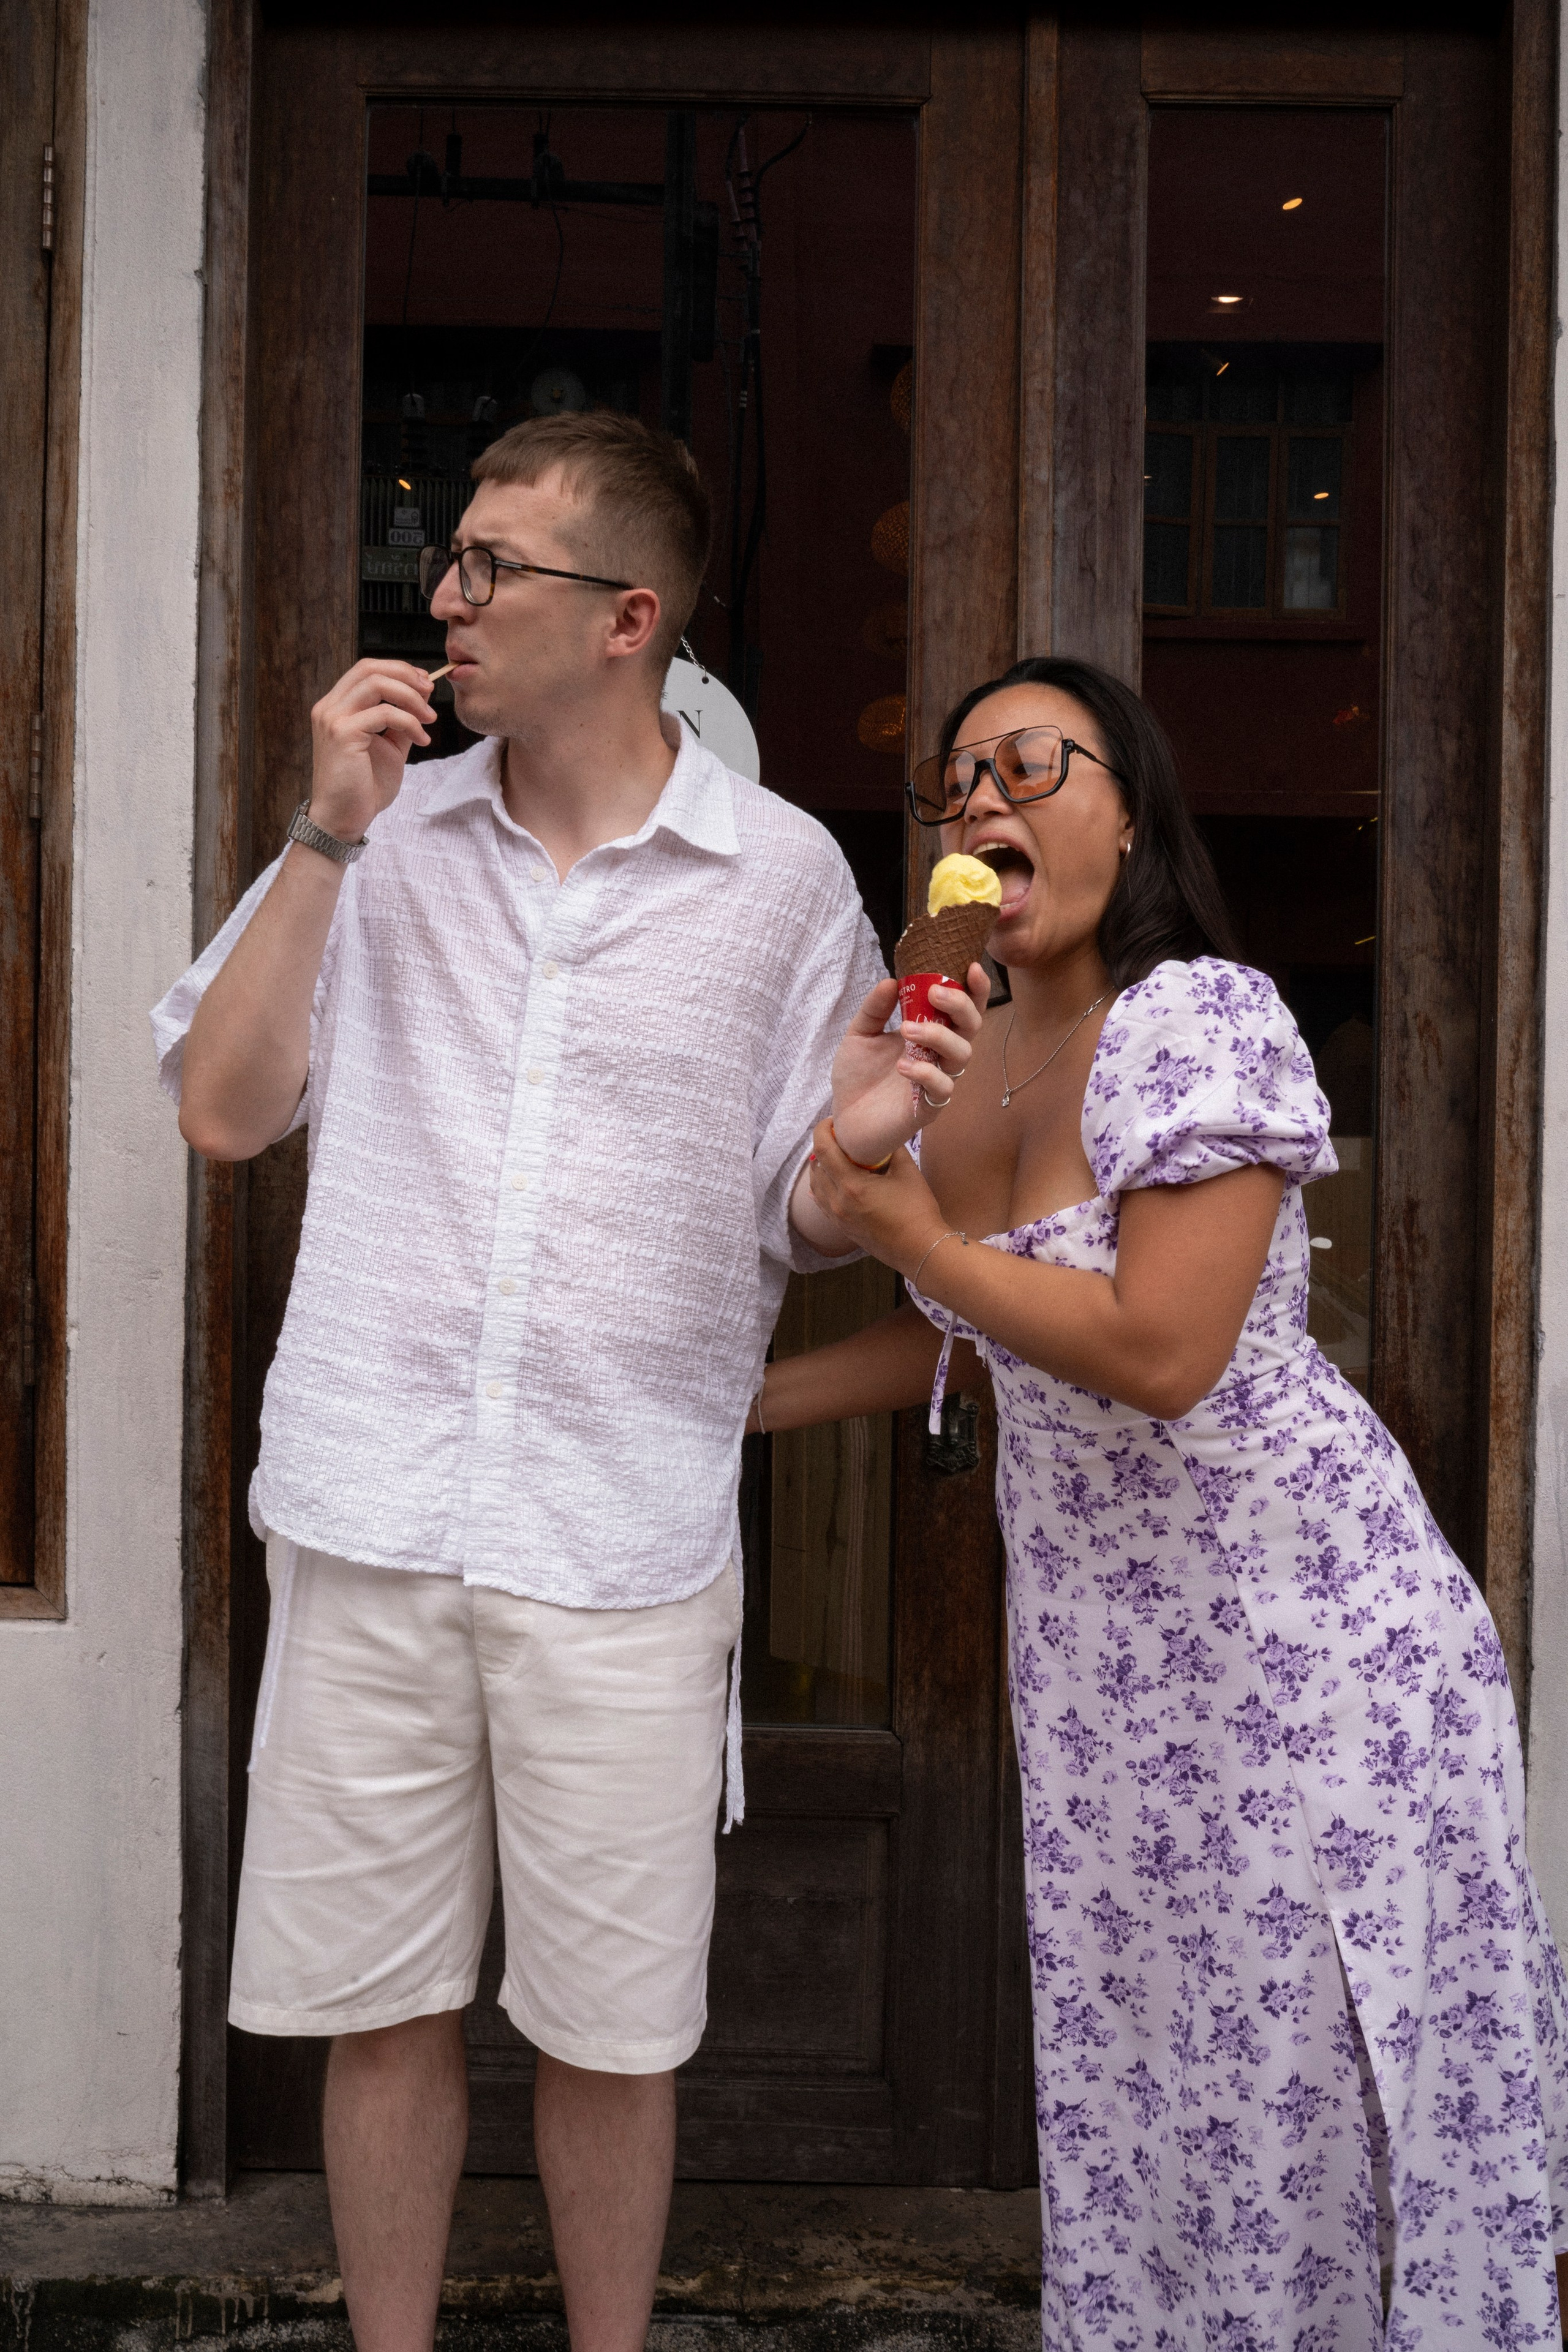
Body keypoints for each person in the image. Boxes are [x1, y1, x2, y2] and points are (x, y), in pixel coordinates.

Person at [149, 412, 965, 2352]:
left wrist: (853, 1145)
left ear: (627, 618)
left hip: (624, 1533)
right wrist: (327, 832)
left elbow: (805, 1217)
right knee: (382, 2009)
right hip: (371, 1506)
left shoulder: (781, 881)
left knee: (616, 2029)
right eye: (455, 559)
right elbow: (222, 1111)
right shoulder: (381, 840)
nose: (446, 596)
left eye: (490, 565)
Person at [756, 655, 1568, 2347]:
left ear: (1131, 814)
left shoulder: (1201, 1017)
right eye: (955, 783)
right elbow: (977, 1331)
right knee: (1160, 2089)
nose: (981, 800)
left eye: (1030, 765)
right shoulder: (966, 1062)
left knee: (1307, 2094)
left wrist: (913, 1235)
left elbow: (1161, 1348)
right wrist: (728, 1410)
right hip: (1116, 1678)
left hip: (1307, 1652)